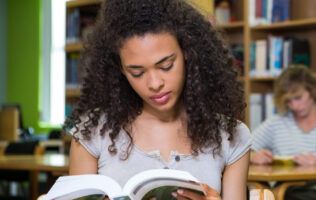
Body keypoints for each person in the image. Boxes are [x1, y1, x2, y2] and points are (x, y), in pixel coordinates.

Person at [64, 0, 250, 199]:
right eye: (137, 72)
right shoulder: (91, 134)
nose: (154, 83)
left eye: (166, 66)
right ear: (120, 70)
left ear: (188, 53)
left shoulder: (231, 136)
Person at [250, 66, 316, 200]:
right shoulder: (276, 123)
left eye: (298, 98)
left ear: (312, 91)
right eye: (288, 101)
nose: (294, 106)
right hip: (287, 190)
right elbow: (239, 151)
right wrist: (253, 156)